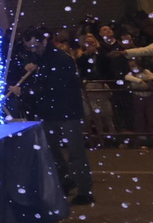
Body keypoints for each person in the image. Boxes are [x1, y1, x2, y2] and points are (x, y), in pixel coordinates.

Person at [7, 30, 92, 204]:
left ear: (44, 41)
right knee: (52, 151)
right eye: (29, 46)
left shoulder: (60, 59)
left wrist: (26, 91)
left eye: (35, 45)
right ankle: (65, 181)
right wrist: (30, 73)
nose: (32, 49)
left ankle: (85, 190)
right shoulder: (39, 58)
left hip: (67, 111)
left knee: (75, 152)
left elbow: (56, 86)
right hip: (49, 111)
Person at [123, 58, 153, 133]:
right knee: (139, 115)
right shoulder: (131, 75)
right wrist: (140, 81)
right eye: (131, 66)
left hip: (150, 96)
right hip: (137, 96)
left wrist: (150, 79)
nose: (133, 68)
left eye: (134, 66)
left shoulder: (146, 72)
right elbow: (126, 77)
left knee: (151, 115)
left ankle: (152, 132)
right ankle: (140, 132)